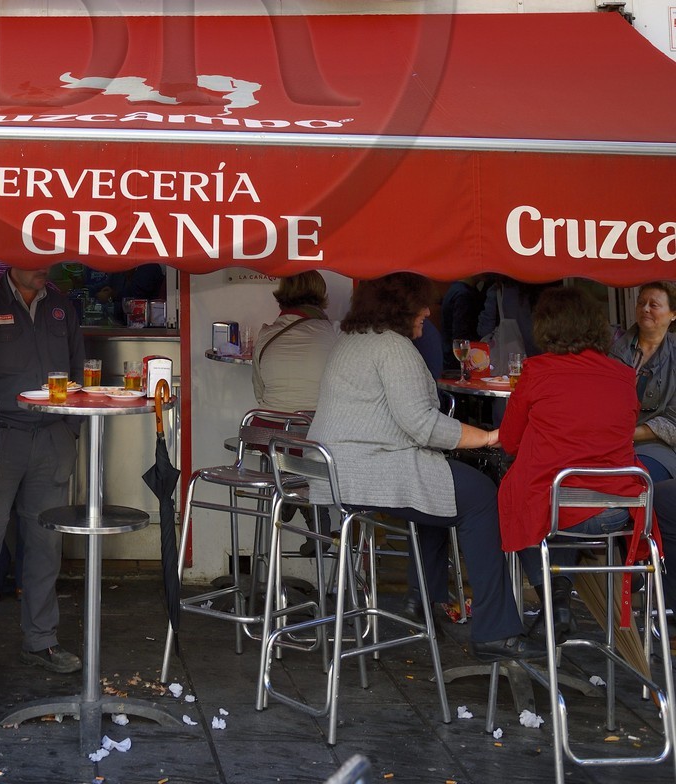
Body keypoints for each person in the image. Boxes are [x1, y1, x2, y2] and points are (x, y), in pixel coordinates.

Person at [310, 271, 529, 659]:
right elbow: (423, 425)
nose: (428, 311)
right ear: (399, 307)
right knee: (479, 495)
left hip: (341, 467)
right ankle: (494, 630)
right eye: (420, 305)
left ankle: (424, 601)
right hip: (368, 467)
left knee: (443, 489)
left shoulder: (353, 339)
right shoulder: (393, 347)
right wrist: (489, 436)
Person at [0, 264, 84, 693]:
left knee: (46, 546)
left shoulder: (63, 308)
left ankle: (41, 641)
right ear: (11, 258)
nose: (44, 268)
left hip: (52, 438)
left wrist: (69, 431)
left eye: (50, 259)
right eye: (34, 259)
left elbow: (79, 370)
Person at [497, 286, 641, 637]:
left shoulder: (537, 371)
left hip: (560, 507)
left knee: (518, 495)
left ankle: (553, 600)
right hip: (620, 509)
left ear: (545, 327)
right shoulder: (624, 376)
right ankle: (558, 601)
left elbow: (509, 441)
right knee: (556, 503)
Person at [611, 281, 676, 482]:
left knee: (635, 480)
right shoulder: (612, 346)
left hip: (656, 448)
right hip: (606, 442)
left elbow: (674, 422)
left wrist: (626, 434)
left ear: (673, 314)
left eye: (654, 305)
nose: (645, 309)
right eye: (641, 303)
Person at [252, 272, 337, 412]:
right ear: (320, 292)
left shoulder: (266, 335)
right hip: (314, 428)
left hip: (267, 426)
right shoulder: (333, 333)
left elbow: (259, 393)